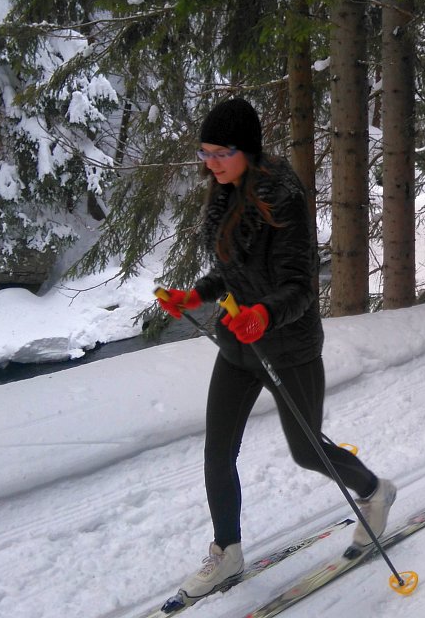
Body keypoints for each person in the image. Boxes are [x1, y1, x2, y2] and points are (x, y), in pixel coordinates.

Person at [155, 97, 396, 603]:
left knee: (308, 451)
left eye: (221, 153)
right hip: (237, 346)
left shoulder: (283, 198)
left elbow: (300, 286)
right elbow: (230, 270)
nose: (212, 163)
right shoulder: (224, 195)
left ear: (246, 149)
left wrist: (263, 315)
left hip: (289, 346)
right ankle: (227, 552)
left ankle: (375, 492)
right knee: (218, 451)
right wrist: (193, 296)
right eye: (205, 153)